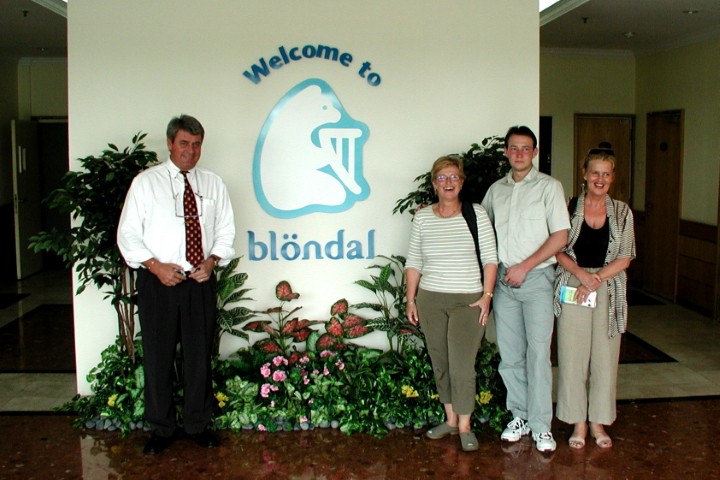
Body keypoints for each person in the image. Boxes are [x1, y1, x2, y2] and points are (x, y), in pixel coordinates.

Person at [117, 114, 236, 455]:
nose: (190, 151)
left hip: (199, 282)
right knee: (158, 356)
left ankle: (197, 424)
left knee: (199, 357)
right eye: (184, 143)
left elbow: (226, 229)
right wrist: (155, 267)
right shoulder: (145, 183)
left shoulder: (213, 183)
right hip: (159, 283)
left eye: (196, 144)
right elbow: (128, 234)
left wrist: (211, 261)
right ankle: (162, 428)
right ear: (170, 143)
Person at [480, 125, 569, 452]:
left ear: (534, 152)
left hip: (537, 280)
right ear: (506, 151)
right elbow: (480, 229)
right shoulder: (496, 191)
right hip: (505, 282)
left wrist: (525, 267)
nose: (519, 153)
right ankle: (520, 415)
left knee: (538, 355)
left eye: (525, 148)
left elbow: (560, 236)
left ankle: (542, 426)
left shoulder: (549, 187)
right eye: (514, 148)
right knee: (511, 355)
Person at [405, 155, 498, 452]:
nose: (448, 182)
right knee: (441, 362)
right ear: (434, 184)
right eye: (442, 177)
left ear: (461, 182)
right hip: (431, 299)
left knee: (462, 366)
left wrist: (486, 297)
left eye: (453, 177)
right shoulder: (423, 218)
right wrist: (411, 299)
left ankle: (466, 426)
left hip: (468, 301)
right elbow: (414, 262)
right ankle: (451, 420)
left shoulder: (476, 214)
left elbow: (490, 259)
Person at [554, 147, 635, 449]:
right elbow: (556, 248)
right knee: (572, 355)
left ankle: (598, 421)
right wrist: (582, 275)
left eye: (606, 174)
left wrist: (596, 278)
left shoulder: (622, 212)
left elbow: (625, 257)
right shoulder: (567, 206)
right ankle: (577, 421)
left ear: (612, 178)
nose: (600, 179)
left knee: (605, 358)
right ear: (584, 174)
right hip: (574, 282)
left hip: (608, 286)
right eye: (595, 172)